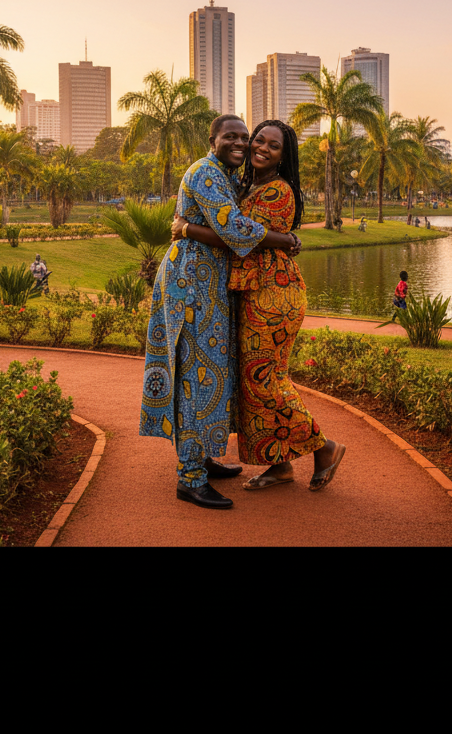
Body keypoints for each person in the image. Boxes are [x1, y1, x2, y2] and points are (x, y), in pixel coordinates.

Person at [141, 114, 301, 511]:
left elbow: (230, 225)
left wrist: (186, 226)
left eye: (245, 138)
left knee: (213, 371)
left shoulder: (227, 175)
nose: (243, 144)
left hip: (210, 284)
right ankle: (190, 478)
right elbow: (234, 228)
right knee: (197, 375)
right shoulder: (206, 174)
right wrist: (286, 239)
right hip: (191, 283)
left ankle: (205, 457)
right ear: (212, 138)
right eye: (232, 136)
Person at [177, 121, 345, 493]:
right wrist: (285, 239)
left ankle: (325, 448)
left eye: (274, 145)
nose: (262, 148)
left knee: (264, 380)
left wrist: (186, 229)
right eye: (259, 140)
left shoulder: (278, 192)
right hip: (251, 291)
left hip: (273, 293)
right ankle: (279, 464)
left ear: (284, 157)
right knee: (254, 384)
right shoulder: (244, 184)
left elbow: (236, 236)